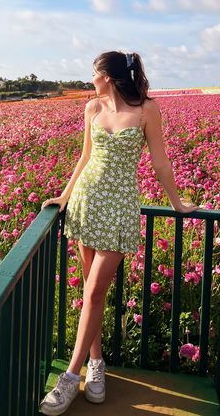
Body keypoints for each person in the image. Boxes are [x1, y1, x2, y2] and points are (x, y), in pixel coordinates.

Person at [39, 50, 197, 416]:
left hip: (120, 209)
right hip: (85, 204)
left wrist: (177, 204)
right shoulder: (92, 109)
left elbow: (159, 161)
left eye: (94, 74)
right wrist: (64, 196)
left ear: (107, 76)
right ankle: (96, 363)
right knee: (89, 293)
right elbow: (84, 157)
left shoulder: (147, 110)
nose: (90, 79)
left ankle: (70, 377)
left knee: (95, 292)